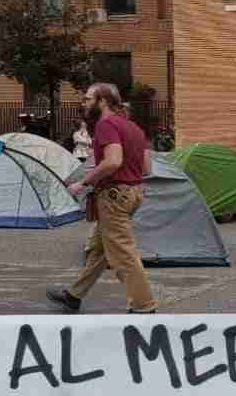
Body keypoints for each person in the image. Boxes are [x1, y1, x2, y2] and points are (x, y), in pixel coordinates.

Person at [47, 83, 156, 314]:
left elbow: (113, 161)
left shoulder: (106, 125)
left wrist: (82, 183)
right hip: (133, 193)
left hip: (114, 196)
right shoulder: (133, 127)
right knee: (98, 249)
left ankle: (144, 307)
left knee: (123, 254)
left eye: (87, 99)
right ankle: (73, 296)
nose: (83, 103)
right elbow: (147, 168)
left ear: (103, 101)